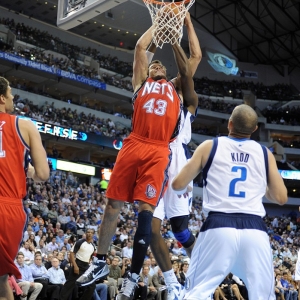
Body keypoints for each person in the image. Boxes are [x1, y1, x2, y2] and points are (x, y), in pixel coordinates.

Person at [76, 20, 198, 300]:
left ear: (169, 74)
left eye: (160, 67)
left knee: (147, 211)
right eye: (154, 66)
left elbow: (188, 66)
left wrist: (174, 39)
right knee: (112, 205)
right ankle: (100, 262)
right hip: (134, 142)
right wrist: (161, 24)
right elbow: (142, 47)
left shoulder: (177, 90)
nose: (157, 67)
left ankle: (132, 277)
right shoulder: (140, 83)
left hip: (159, 150)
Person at [172, 104, 288, 300]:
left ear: (229, 124)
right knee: (263, 296)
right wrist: (260, 187)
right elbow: (281, 197)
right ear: (254, 129)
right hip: (254, 230)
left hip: (219, 226)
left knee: (196, 292)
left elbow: (178, 184)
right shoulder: (264, 153)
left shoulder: (210, 146)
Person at [149, 12, 201, 299]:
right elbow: (141, 57)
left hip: (178, 159)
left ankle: (201, 266)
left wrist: (186, 23)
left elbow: (195, 56)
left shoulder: (178, 90)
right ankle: (172, 285)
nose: (158, 67)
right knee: (151, 226)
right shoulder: (147, 92)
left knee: (180, 230)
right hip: (155, 157)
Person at [0, 76, 49, 300]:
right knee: (1, 280)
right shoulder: (24, 125)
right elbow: (42, 174)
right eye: (10, 94)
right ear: (1, 98)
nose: (12, 98)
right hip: (8, 209)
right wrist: (26, 170)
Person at [60, 228, 97, 300]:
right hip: (77, 264)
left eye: (91, 232)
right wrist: (75, 266)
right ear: (86, 233)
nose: (89, 233)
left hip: (86, 266)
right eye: (88, 232)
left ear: (93, 234)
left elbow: (90, 257)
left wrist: (89, 265)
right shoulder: (80, 242)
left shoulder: (93, 246)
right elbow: (71, 253)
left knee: (92, 286)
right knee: (69, 285)